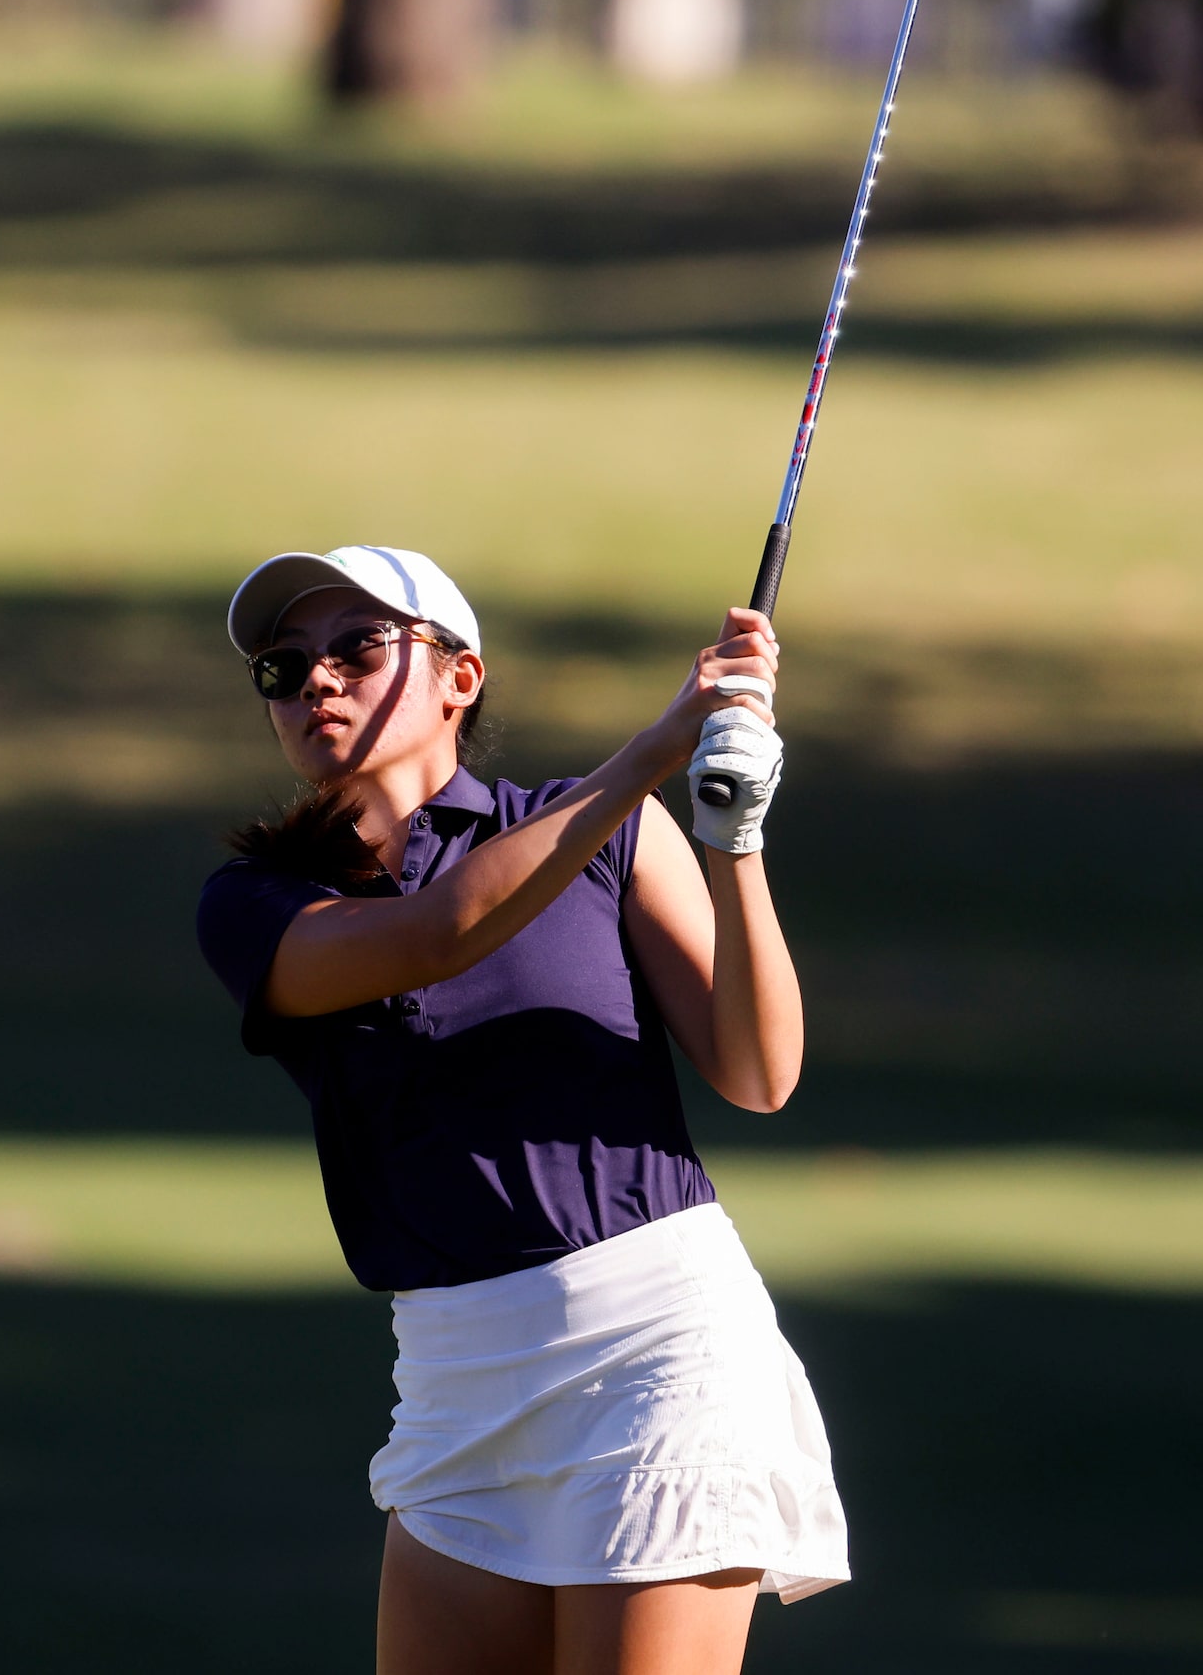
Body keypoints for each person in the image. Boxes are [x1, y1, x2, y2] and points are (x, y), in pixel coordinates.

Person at [195, 544, 847, 1675]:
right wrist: (645, 755)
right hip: (454, 1376)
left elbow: (757, 1070)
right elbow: (436, 933)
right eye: (283, 667)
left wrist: (730, 837)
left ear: (459, 678)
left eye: (355, 648)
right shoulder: (258, 903)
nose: (315, 680)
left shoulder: (608, 836)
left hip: (658, 1347)